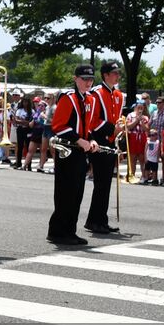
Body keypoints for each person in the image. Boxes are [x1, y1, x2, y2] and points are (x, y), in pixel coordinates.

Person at [46, 64, 101, 246]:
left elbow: (89, 126)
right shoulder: (68, 98)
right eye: (84, 79)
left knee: (77, 193)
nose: (88, 82)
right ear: (75, 79)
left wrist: (91, 139)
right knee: (65, 192)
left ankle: (69, 230)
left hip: (80, 150)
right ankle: (58, 231)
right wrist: (79, 140)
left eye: (91, 79)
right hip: (67, 149)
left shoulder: (90, 100)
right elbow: (59, 126)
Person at [84, 61, 125, 234]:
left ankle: (100, 220)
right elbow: (92, 121)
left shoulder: (118, 95)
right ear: (106, 75)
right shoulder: (96, 93)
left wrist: (121, 128)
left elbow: (117, 118)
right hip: (99, 140)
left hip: (111, 141)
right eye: (114, 73)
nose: (117, 76)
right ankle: (95, 221)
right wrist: (111, 128)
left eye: (118, 73)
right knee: (101, 183)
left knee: (106, 183)